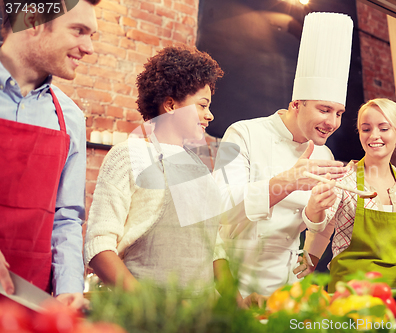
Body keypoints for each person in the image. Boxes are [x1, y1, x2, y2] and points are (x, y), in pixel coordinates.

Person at [84, 45, 263, 308]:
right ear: (170, 105)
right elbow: (98, 246)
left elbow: (213, 249)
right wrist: (147, 304)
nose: (210, 115)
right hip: (142, 317)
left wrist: (238, 303)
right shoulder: (128, 155)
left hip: (198, 318)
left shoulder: (199, 169)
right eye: (202, 105)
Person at [212, 12, 354, 297]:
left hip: (288, 285)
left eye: (339, 113)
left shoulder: (323, 155)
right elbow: (222, 208)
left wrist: (316, 212)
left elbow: (314, 224)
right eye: (324, 110)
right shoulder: (242, 134)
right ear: (296, 104)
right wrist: (287, 181)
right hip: (237, 281)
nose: (333, 122)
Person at [0, 0, 99, 309]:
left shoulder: (70, 117)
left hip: (32, 304)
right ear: (32, 20)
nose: (89, 48)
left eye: (92, 34)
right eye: (79, 31)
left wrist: (69, 288)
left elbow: (67, 217)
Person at [303, 98, 396, 290]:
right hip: (351, 291)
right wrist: (314, 205)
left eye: (384, 128)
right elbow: (319, 225)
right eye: (366, 129)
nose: (374, 135)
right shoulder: (344, 178)